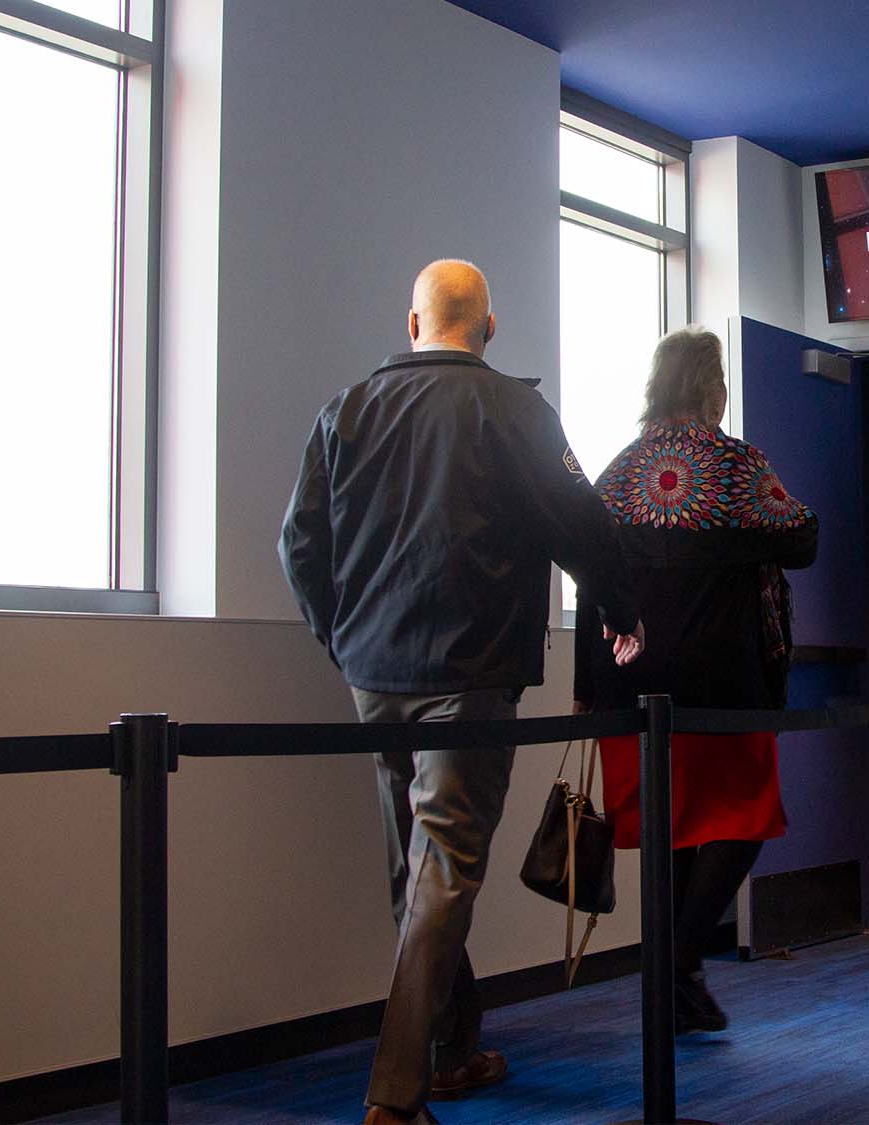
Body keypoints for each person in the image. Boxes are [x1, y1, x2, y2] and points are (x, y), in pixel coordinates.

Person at [278, 259, 646, 1125]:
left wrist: (341, 637)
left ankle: (452, 1048)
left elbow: (298, 543)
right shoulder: (513, 409)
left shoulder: (346, 411)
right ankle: (394, 1099)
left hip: (374, 674)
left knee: (414, 869)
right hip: (470, 674)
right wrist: (621, 610)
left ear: (413, 325)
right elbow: (582, 523)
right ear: (490, 327)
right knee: (442, 870)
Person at [573, 326, 818, 1032]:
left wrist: (587, 687)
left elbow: (591, 581)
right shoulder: (735, 465)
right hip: (723, 679)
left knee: (668, 831)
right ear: (713, 387)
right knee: (746, 815)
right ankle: (680, 961)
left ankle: (674, 979)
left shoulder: (619, 472)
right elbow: (803, 538)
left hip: (631, 681)